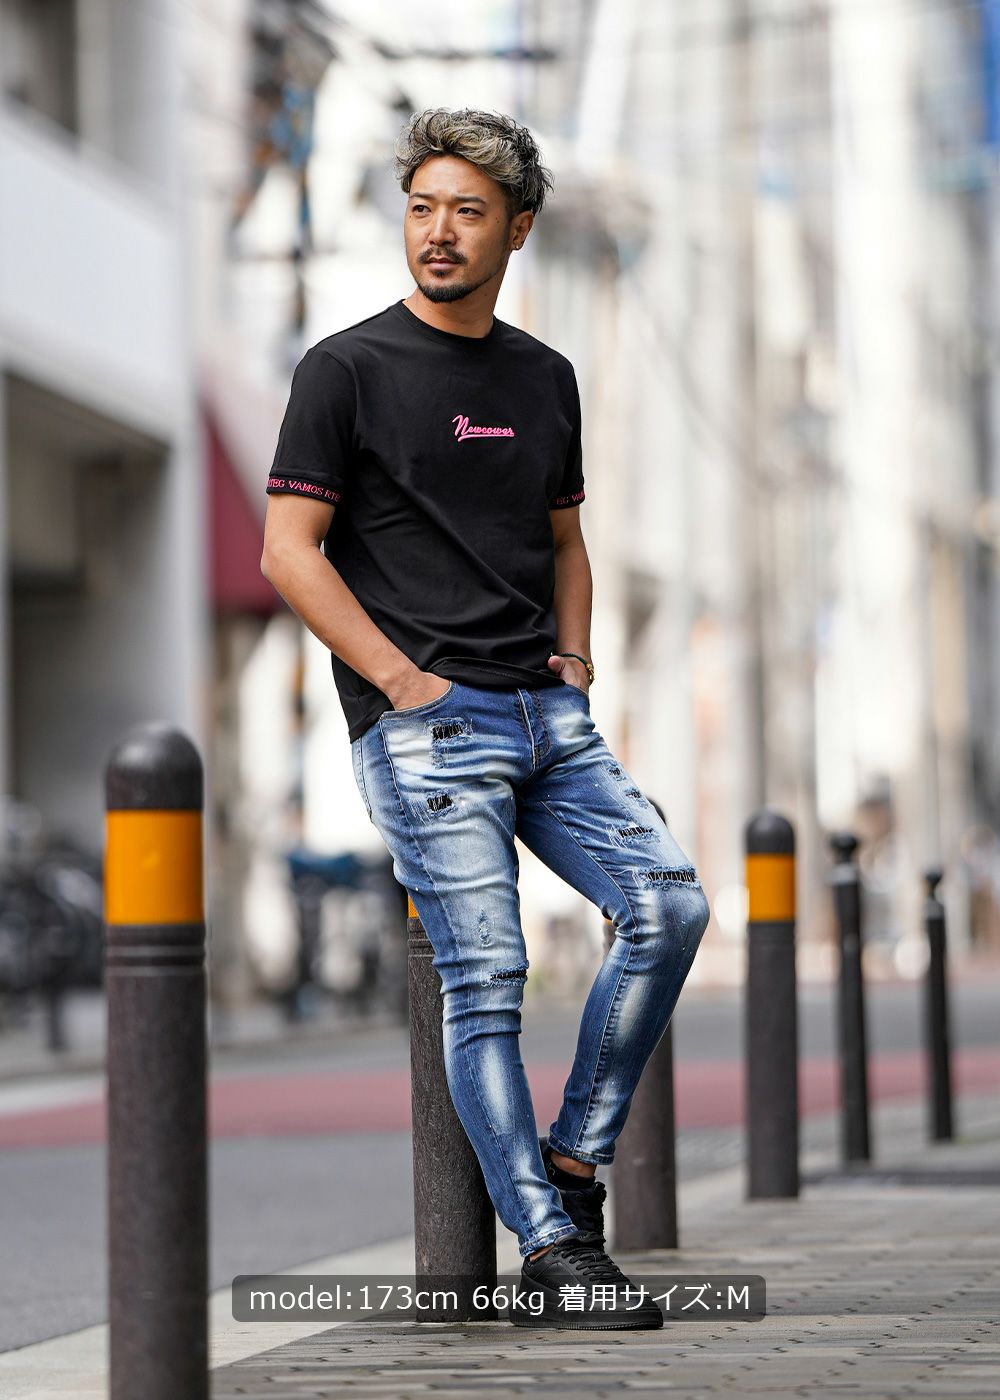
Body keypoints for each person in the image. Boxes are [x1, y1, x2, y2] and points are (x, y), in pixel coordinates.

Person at [260, 107, 711, 1330]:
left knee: (668, 903)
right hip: (429, 727)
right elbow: (290, 551)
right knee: (489, 974)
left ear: (517, 228)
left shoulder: (543, 377)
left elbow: (566, 539)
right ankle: (554, 1244)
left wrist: (574, 662)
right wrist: (401, 682)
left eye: (466, 210)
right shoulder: (345, 370)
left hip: (545, 714)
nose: (439, 231)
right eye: (421, 207)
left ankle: (573, 1155)